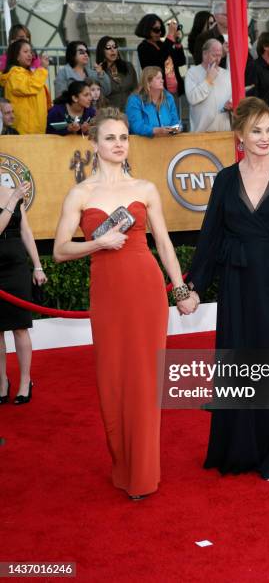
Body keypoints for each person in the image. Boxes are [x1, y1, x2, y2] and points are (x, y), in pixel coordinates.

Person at [53, 107, 198, 500]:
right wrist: (97, 243)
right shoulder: (81, 194)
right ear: (95, 144)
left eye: (123, 138)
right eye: (110, 138)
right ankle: (123, 463)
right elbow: (60, 250)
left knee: (145, 380)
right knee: (112, 379)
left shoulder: (146, 189)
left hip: (146, 288)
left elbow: (164, 244)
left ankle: (144, 475)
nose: (118, 144)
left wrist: (180, 291)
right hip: (108, 291)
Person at [186, 96, 269, 480]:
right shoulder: (226, 179)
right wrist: (194, 286)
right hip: (238, 283)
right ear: (239, 135)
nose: (266, 137)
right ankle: (241, 451)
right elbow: (210, 236)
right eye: (257, 130)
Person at [0, 181, 47, 406]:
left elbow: (26, 232)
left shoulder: (13, 194)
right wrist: (12, 200)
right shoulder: (14, 196)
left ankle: (25, 382)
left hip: (17, 267)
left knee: (20, 327)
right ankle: (2, 383)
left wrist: (37, 265)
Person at [0, 39, 51, 134]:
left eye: (31, 52)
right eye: (25, 52)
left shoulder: (32, 74)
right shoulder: (14, 74)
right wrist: (42, 68)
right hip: (23, 132)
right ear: (16, 56)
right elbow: (29, 87)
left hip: (38, 130)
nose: (30, 55)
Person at [185, 39, 232, 132]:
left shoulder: (226, 74)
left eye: (219, 55)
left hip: (224, 132)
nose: (217, 59)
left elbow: (232, 98)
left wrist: (231, 104)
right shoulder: (192, 72)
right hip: (201, 133)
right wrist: (208, 80)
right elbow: (192, 98)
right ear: (205, 54)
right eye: (214, 55)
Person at [135, 14, 186, 96]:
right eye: (156, 30)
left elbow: (181, 61)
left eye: (161, 29)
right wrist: (170, 37)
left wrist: (177, 43)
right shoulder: (143, 47)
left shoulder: (163, 45)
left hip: (174, 91)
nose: (159, 32)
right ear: (147, 29)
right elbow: (159, 61)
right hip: (157, 92)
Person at [125, 66, 181, 137]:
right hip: (142, 145)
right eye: (158, 78)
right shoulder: (135, 100)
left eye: (162, 78)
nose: (162, 80)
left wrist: (176, 129)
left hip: (168, 143)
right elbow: (136, 126)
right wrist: (156, 130)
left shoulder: (169, 98)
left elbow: (176, 122)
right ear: (148, 82)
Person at [95, 36, 137, 111]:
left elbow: (136, 89)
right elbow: (99, 96)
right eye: (108, 47)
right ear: (102, 51)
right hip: (111, 114)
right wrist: (100, 75)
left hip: (131, 110)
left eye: (115, 47)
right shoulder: (98, 71)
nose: (112, 50)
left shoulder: (128, 66)